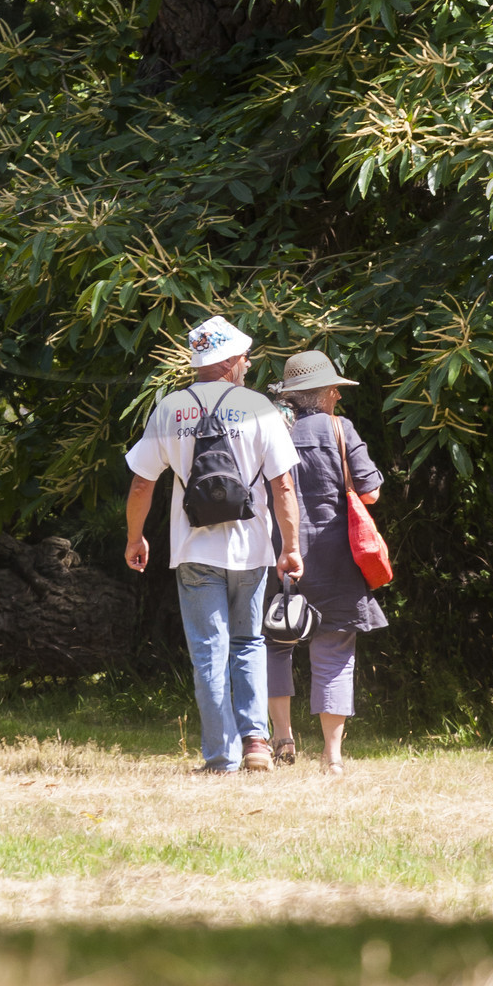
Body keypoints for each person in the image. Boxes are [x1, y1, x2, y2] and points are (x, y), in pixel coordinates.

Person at [124, 315, 303, 774]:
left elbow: (143, 484)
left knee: (210, 648)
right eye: (243, 356)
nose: (246, 362)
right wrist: (291, 547)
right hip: (252, 550)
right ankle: (257, 744)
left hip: (195, 550)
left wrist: (135, 536)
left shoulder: (169, 408)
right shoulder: (259, 406)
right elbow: (283, 487)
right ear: (228, 361)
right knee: (248, 643)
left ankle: (221, 757)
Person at [264, 350, 386, 776]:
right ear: (326, 394)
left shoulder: (270, 428)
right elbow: (370, 492)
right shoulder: (340, 428)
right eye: (335, 388)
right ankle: (332, 758)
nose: (338, 394)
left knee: (276, 645)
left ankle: (282, 741)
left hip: (279, 553)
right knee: (334, 650)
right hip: (336, 559)